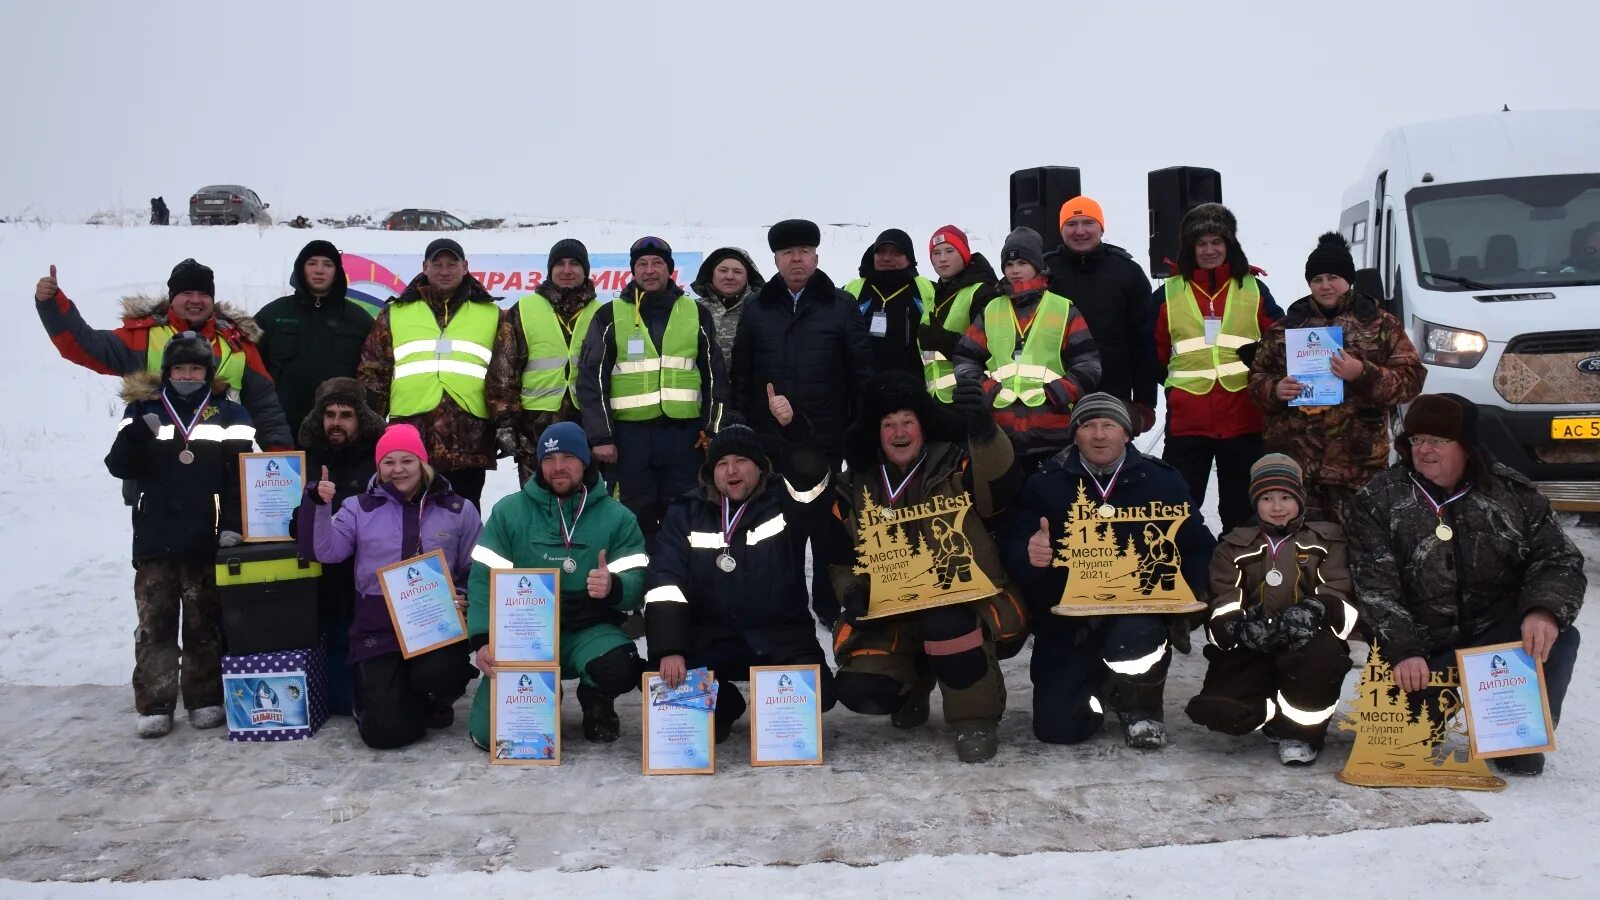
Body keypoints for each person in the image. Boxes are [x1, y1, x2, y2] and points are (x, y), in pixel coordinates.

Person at [1348, 393, 1586, 776]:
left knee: (1558, 638)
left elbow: (1559, 560)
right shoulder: (1378, 498)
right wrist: (1404, 650)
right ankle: (1437, 707)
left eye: (1437, 441)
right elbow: (1376, 587)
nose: (1423, 450)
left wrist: (1543, 610)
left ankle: (1511, 732)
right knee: (1401, 749)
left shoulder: (1514, 494)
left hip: (1494, 646)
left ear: (1467, 447)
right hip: (1422, 655)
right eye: (1415, 440)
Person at [829, 371, 1027, 762]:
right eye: (888, 424)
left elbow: (1001, 489)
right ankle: (914, 685)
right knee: (859, 689)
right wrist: (851, 590)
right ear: (876, 433)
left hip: (963, 603)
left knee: (946, 625)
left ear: (924, 426)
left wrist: (986, 431)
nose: (898, 432)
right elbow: (841, 558)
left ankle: (975, 719)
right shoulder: (855, 485)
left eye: (907, 421)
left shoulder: (958, 463)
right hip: (894, 610)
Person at [1004, 393, 1215, 748]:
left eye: (1109, 425)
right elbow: (1016, 544)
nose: (1099, 435)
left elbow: (1198, 544)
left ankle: (1141, 705)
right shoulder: (1047, 483)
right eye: (1088, 426)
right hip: (1068, 618)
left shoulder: (1161, 480)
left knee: (1134, 638)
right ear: (1075, 436)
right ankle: (1099, 686)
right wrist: (1030, 555)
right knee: (1058, 730)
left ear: (1127, 434)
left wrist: (1191, 600)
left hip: (1137, 613)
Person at [644, 395, 836, 743]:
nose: (731, 471)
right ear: (710, 469)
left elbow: (812, 479)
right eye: (722, 463)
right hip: (710, 634)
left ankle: (768, 705)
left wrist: (793, 431)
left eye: (741, 460)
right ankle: (726, 704)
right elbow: (664, 581)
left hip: (779, 634)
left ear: (760, 466)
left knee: (821, 694)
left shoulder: (786, 501)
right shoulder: (686, 511)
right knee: (660, 682)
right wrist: (668, 647)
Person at [104, 333, 256, 737]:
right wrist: (135, 435)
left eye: (195, 368)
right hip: (155, 536)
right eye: (179, 368)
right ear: (167, 371)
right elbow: (118, 466)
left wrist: (233, 526)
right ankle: (155, 703)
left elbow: (240, 477)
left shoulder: (231, 413)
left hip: (206, 536)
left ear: (208, 372)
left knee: (203, 623)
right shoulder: (143, 407)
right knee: (155, 623)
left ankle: (204, 698)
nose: (187, 375)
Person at [465, 422, 650, 746]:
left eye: (568, 457)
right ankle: (543, 692)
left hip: (588, 630)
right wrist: (482, 639)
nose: (558, 467)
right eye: (549, 459)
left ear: (585, 461)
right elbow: (483, 579)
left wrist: (614, 587)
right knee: (491, 737)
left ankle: (596, 700)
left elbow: (638, 580)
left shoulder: (617, 518)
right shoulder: (509, 512)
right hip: (524, 637)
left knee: (619, 666)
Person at [298, 424, 480, 750]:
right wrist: (317, 504)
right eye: (389, 462)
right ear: (378, 467)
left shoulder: (458, 510)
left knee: (442, 674)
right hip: (378, 628)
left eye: (407, 460)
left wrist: (462, 595)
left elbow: (475, 569)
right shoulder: (358, 508)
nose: (398, 470)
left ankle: (434, 700)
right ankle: (386, 703)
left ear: (422, 462)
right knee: (386, 734)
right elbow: (325, 551)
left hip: (435, 625)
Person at [1185, 454, 1358, 765]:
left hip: (1309, 642)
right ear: (1255, 502)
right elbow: (1223, 595)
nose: (1277, 507)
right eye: (1267, 498)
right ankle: (1267, 711)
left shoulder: (1327, 540)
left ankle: (1301, 734)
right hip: (1256, 642)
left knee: (1321, 659)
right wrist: (1236, 626)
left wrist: (1317, 609)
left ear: (1300, 499)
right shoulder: (1233, 546)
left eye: (1285, 497)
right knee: (1220, 712)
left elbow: (1339, 589)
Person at [1249, 233, 1425, 525]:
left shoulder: (1381, 324)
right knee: (1302, 551)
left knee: (1359, 547)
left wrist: (1362, 374)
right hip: (1298, 467)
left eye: (1333, 277)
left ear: (1348, 279)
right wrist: (1274, 389)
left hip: (1356, 467)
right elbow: (1256, 378)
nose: (1325, 285)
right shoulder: (1286, 327)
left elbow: (1411, 379)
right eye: (1317, 279)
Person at [37, 258, 292, 449]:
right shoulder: (142, 336)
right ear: (172, 298)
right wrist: (52, 305)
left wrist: (282, 461)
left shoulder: (237, 343)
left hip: (223, 473)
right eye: (186, 293)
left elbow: (265, 408)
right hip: (155, 476)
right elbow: (83, 346)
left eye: (203, 294)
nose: (195, 300)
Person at [575, 236, 728, 548]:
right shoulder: (609, 315)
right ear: (633, 271)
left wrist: (711, 430)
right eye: (642, 264)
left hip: (684, 438)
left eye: (657, 263)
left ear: (669, 270)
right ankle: (634, 587)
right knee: (632, 517)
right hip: (630, 439)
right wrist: (601, 436)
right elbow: (591, 378)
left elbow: (715, 376)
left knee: (686, 514)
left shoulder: (696, 313)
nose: (649, 270)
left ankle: (682, 585)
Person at [356, 238, 517, 510]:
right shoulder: (395, 312)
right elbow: (373, 372)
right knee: (406, 512)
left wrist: (505, 423)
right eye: (437, 264)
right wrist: (372, 426)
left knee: (463, 513)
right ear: (424, 267)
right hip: (409, 433)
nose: (444, 270)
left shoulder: (492, 314)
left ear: (465, 267)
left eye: (451, 264)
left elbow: (505, 372)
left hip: (470, 437)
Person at [1153, 203, 1283, 535]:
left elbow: (1280, 341)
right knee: (1178, 511)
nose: (1210, 250)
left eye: (1217, 241)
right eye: (1201, 243)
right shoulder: (1168, 292)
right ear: (1189, 248)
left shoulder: (1253, 287)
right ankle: (1183, 579)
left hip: (1244, 419)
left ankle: (1239, 578)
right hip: (1188, 422)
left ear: (1229, 245)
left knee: (1242, 512)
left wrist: (1262, 360)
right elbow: (1154, 351)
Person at [952, 226, 1103, 468]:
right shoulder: (991, 310)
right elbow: (964, 358)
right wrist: (986, 389)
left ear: (1036, 265)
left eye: (1022, 263)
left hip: (1053, 433)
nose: (1015, 271)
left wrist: (1058, 392)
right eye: (1009, 265)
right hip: (1000, 433)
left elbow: (1089, 365)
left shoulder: (1063, 308)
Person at [730, 218, 874, 466]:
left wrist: (861, 426)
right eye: (787, 252)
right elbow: (741, 374)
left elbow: (862, 371)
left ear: (816, 259)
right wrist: (740, 423)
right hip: (768, 435)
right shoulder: (755, 306)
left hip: (826, 434)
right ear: (776, 260)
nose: (796, 258)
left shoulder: (842, 305)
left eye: (804, 252)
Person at [297, 376, 387, 716]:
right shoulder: (302, 460)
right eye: (330, 414)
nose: (336, 422)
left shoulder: (376, 463)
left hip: (367, 569)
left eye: (346, 414)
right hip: (321, 570)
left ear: (360, 419)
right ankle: (334, 696)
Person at [1044, 196, 1160, 434]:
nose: (1080, 231)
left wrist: (1145, 401)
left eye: (1088, 222)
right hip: (1053, 394)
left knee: (1110, 462)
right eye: (1071, 224)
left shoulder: (1128, 272)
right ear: (1061, 229)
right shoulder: (1045, 271)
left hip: (1112, 392)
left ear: (1101, 227)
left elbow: (1144, 341)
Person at [495, 238, 601, 485]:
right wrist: (506, 425)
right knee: (537, 501)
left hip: (588, 424)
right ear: (550, 270)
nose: (566, 270)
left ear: (585, 270)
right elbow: (503, 371)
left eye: (574, 263)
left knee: (586, 500)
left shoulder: (602, 313)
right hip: (535, 427)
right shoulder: (524, 309)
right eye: (560, 264)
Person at [256, 240, 376, 445]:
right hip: (283, 430)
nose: (319, 270)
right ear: (300, 268)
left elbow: (374, 376)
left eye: (328, 264)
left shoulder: (359, 320)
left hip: (341, 433)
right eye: (312, 263)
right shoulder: (273, 315)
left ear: (337, 272)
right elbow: (255, 374)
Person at [918, 225, 1000, 405]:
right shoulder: (936, 295)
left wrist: (944, 340)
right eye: (936, 253)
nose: (943, 259)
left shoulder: (982, 293)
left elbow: (993, 352)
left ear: (964, 254)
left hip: (968, 399)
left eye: (949, 251)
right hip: (935, 400)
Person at [843, 228, 934, 380]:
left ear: (909, 257)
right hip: (863, 387)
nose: (887, 258)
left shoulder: (927, 289)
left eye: (896, 252)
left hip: (914, 385)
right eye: (881, 251)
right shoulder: (852, 289)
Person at [691, 246, 765, 367]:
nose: (729, 277)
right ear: (712, 274)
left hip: (748, 385)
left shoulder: (762, 309)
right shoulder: (694, 309)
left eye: (737, 272)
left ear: (747, 277)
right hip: (704, 384)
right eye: (723, 270)